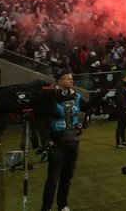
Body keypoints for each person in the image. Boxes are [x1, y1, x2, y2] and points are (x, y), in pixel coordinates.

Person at [42, 70, 83, 211]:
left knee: (67, 177)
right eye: (68, 79)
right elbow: (44, 120)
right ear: (59, 81)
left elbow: (85, 107)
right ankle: (46, 207)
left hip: (73, 140)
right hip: (57, 142)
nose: (72, 81)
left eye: (72, 79)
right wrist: (47, 140)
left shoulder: (74, 95)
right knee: (53, 178)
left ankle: (62, 205)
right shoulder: (51, 97)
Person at [114, 74, 126, 148]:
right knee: (120, 126)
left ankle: (124, 141)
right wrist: (125, 109)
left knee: (124, 126)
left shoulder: (124, 87)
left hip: (125, 109)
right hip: (122, 110)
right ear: (123, 79)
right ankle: (118, 143)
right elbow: (120, 100)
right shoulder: (120, 87)